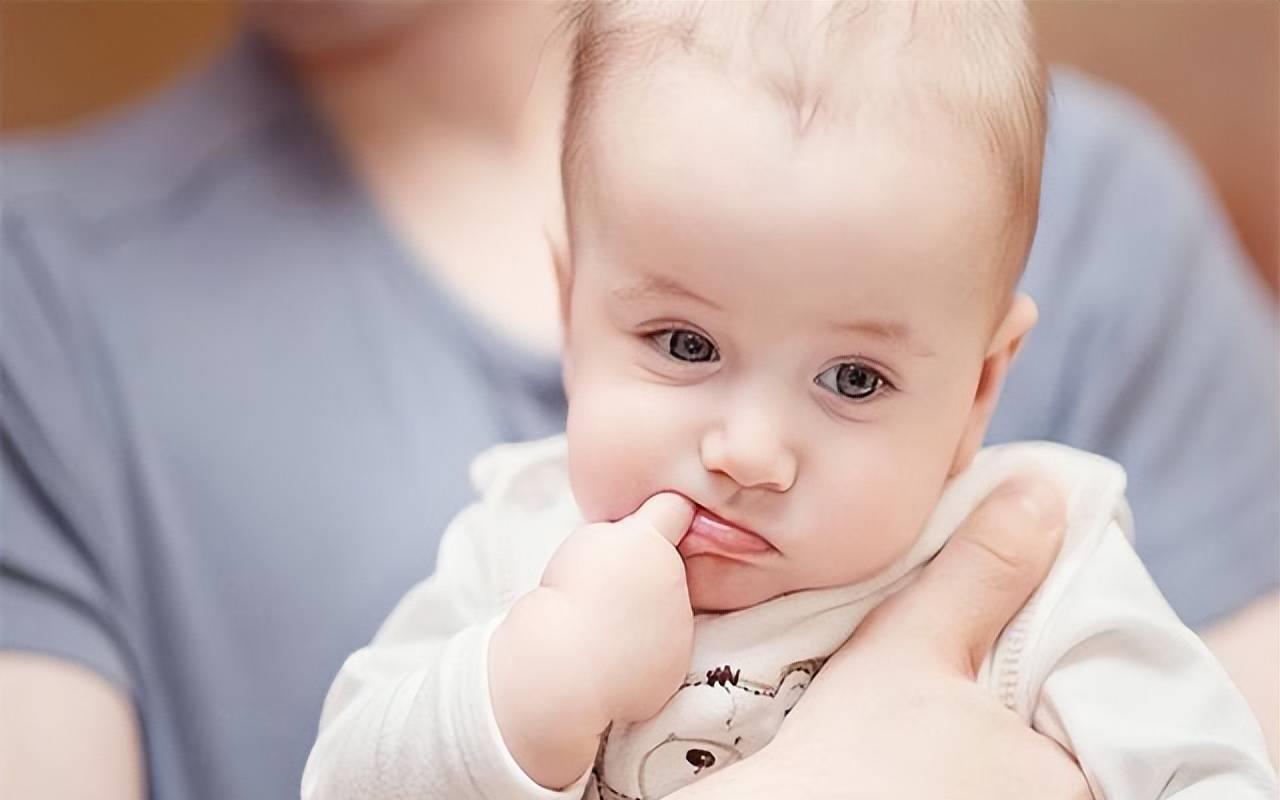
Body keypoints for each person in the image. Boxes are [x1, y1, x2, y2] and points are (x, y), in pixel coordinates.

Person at [0, 3, 1274, 799]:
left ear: (983, 384)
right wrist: (530, 685)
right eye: (679, 342)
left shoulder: (1042, 550)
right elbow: (347, 778)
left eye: (852, 379)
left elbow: (1210, 765)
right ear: (572, 307)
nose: (749, 448)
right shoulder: (519, 545)